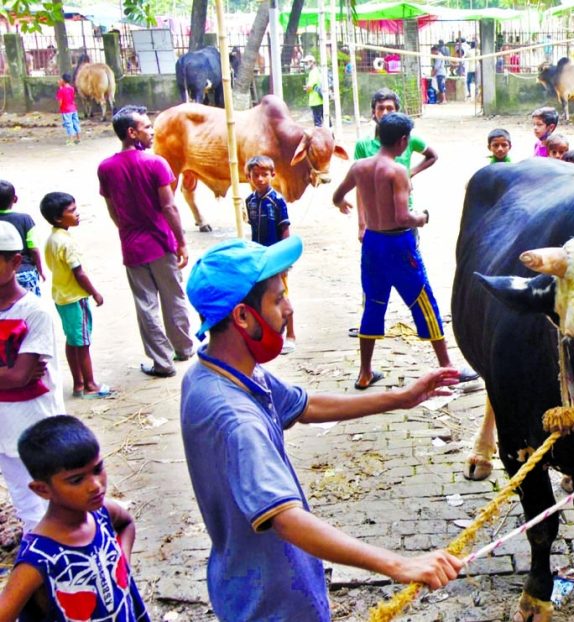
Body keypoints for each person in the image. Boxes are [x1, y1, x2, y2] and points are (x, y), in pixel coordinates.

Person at [180, 234, 463, 621]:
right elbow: (286, 518)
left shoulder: (216, 373)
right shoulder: (234, 419)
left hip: (251, 581)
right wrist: (399, 565)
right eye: (277, 299)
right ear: (243, 316)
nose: (288, 307)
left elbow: (306, 404)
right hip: (273, 604)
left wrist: (403, 397)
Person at [333, 113, 477, 389]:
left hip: (372, 243)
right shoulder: (396, 170)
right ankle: (446, 366)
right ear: (402, 141)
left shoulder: (359, 167)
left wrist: (343, 205)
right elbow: (402, 217)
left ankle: (365, 372)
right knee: (424, 302)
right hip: (398, 244)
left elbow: (337, 196)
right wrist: (421, 216)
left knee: (373, 304)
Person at [0, 416, 149, 621]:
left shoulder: (101, 513)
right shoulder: (38, 559)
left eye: (98, 469)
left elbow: (127, 524)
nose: (95, 485)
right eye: (77, 480)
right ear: (42, 489)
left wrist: (121, 563)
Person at [97, 105, 195, 378]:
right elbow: (169, 207)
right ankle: (184, 348)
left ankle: (162, 362)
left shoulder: (106, 168)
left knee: (145, 304)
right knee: (173, 296)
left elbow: (112, 209)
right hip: (162, 243)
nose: (152, 132)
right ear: (131, 132)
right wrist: (181, 241)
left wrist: (127, 228)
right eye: (147, 127)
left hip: (132, 245)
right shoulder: (155, 163)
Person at [0, 221, 64, 534]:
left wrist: (16, 375)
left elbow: (21, 375)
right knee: (25, 502)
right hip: (4, 426)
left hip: (36, 426)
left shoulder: (34, 312)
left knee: (52, 501)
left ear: (14, 263)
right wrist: (12, 375)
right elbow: (14, 376)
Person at [40, 192, 110, 399]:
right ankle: (90, 384)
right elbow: (78, 273)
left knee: (72, 341)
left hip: (61, 297)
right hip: (75, 298)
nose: (77, 214)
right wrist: (94, 293)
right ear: (58, 218)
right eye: (71, 211)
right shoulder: (67, 243)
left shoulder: (53, 238)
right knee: (83, 342)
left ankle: (78, 383)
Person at [353, 89, 438, 242]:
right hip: (375, 219)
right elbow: (360, 187)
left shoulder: (408, 139)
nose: (385, 112)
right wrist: (361, 224)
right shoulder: (363, 144)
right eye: (380, 108)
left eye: (390, 108)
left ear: (397, 111)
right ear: (373, 112)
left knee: (407, 259)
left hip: (405, 212)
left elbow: (432, 156)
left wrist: (410, 173)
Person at [245, 155, 296, 354]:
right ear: (248, 177)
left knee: (283, 294)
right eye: (255, 175)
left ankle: (291, 334)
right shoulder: (250, 201)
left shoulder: (277, 201)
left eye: (264, 175)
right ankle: (268, 333)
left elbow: (285, 230)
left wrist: (286, 258)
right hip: (259, 257)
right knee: (263, 295)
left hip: (277, 257)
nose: (260, 179)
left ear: (272, 175)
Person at [0, 180, 44, 296]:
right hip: (25, 271)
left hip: (2, 274)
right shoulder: (25, 219)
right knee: (30, 309)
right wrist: (40, 270)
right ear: (15, 199)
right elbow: (33, 249)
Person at [56, 72, 80, 145]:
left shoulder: (61, 90)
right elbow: (73, 97)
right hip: (73, 109)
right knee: (75, 123)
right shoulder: (72, 88)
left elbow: (60, 101)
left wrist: (59, 108)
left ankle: (71, 140)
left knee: (69, 124)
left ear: (63, 80)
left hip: (66, 110)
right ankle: (78, 138)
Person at [303, 54, 324, 128]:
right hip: (320, 99)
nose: (305, 65)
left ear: (312, 62)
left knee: (317, 123)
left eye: (307, 63)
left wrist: (306, 88)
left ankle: (320, 138)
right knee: (326, 119)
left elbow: (310, 86)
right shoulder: (317, 71)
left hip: (316, 100)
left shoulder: (313, 72)